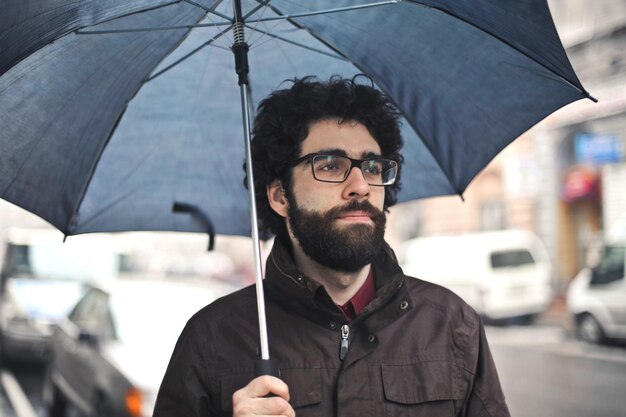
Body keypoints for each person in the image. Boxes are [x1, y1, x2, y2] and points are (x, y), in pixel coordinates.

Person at [153, 76, 511, 417]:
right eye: (330, 165)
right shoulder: (212, 340)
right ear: (280, 196)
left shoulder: (452, 325)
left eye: (372, 167)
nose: (360, 185)